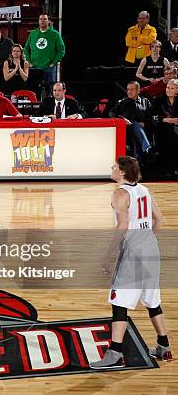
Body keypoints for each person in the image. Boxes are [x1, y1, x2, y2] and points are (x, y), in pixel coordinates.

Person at [90, 157, 172, 369]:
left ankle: (115, 352)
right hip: (150, 248)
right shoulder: (144, 189)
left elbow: (123, 225)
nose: (112, 169)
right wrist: (146, 240)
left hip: (133, 252)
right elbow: (159, 219)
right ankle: (164, 346)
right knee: (152, 300)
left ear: (123, 172)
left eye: (115, 167)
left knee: (119, 302)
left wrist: (107, 253)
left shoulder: (119, 193)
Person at [109, 81, 157, 163]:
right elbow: (111, 113)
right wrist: (123, 119)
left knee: (136, 128)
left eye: (132, 89)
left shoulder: (145, 101)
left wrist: (144, 123)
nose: (129, 92)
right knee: (135, 125)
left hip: (143, 130)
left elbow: (151, 117)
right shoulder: (123, 102)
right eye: (128, 89)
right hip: (127, 130)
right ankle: (147, 148)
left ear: (138, 91)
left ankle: (137, 161)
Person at [24, 13, 65, 92]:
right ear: (38, 21)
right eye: (41, 19)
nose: (42, 21)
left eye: (45, 19)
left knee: (51, 89)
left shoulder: (55, 34)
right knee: (32, 89)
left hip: (49, 67)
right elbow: (26, 49)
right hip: (34, 66)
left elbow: (61, 50)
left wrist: (54, 62)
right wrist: (29, 62)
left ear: (48, 21)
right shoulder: (33, 34)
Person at [154, 78, 178, 176]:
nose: (168, 90)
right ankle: (169, 167)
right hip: (163, 127)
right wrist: (165, 120)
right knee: (169, 134)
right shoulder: (159, 99)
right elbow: (153, 116)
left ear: (177, 90)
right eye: (167, 87)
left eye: (172, 88)